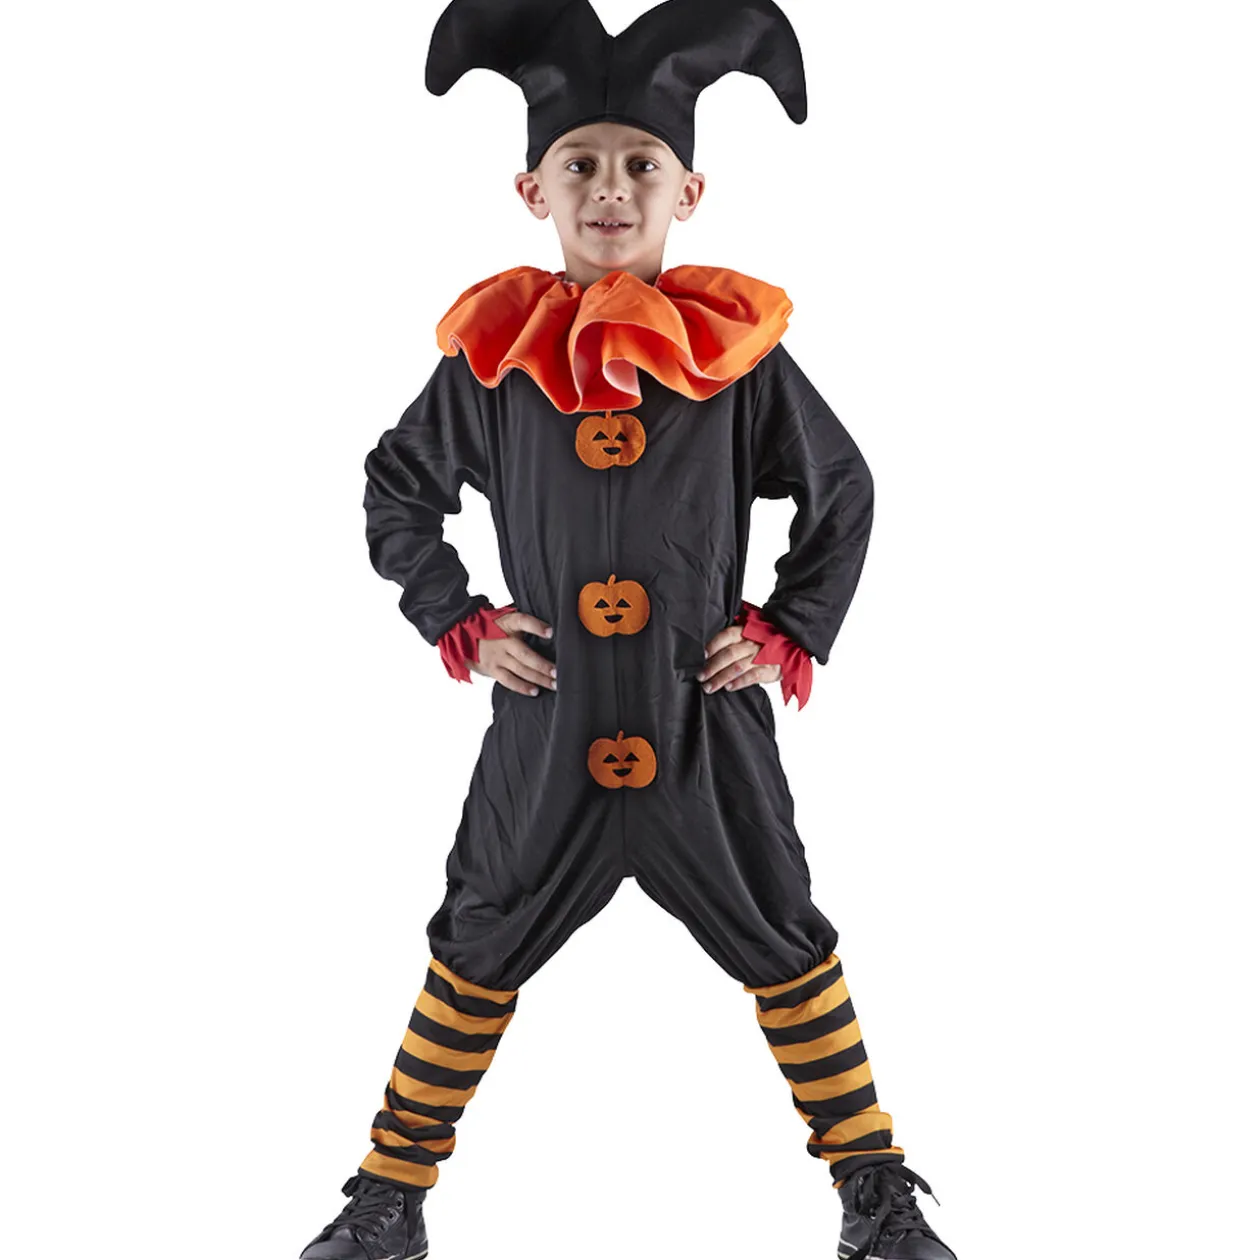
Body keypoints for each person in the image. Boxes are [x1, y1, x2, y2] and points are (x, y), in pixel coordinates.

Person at [299, 3, 956, 1258]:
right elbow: (397, 488)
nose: (611, 189)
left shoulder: (736, 358)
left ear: (689, 191)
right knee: (476, 939)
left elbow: (843, 490)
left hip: (700, 721)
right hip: (545, 730)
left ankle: (873, 1193)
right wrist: (458, 619)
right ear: (531, 188)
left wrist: (787, 628)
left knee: (786, 934)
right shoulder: (493, 360)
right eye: (582, 165)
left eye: (642, 165)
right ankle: (389, 1198)